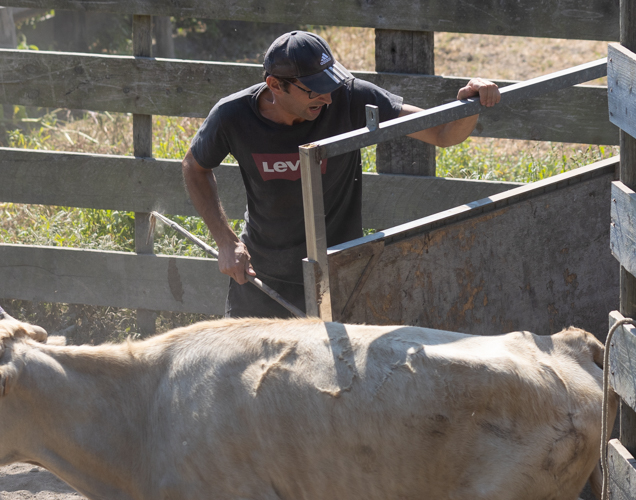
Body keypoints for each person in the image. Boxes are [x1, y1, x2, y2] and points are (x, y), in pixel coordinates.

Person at [182, 30, 500, 318]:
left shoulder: (350, 97)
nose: (328, 98)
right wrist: (226, 241)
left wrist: (469, 103)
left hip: (340, 274)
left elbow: (442, 133)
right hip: (262, 275)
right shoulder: (232, 115)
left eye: (331, 84)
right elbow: (194, 167)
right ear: (275, 85)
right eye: (315, 90)